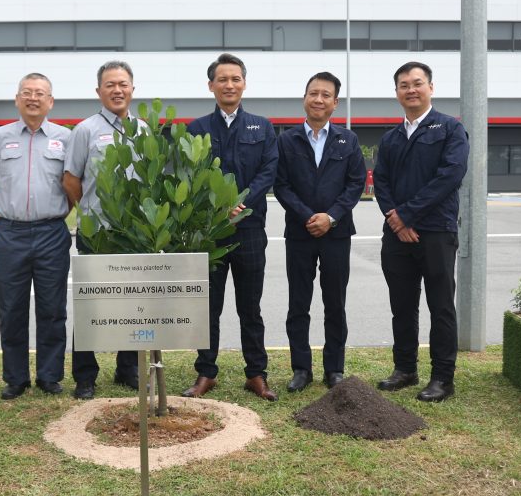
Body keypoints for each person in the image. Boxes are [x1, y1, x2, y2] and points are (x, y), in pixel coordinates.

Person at [182, 53, 279, 401]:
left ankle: (256, 373)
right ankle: (206, 372)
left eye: (235, 78)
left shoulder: (261, 127)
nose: (229, 85)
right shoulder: (197, 130)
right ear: (211, 86)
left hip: (250, 229)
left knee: (250, 307)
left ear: (244, 83)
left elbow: (268, 172)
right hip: (211, 233)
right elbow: (190, 177)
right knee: (209, 306)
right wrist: (218, 208)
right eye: (222, 79)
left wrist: (240, 203)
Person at [373, 61, 469, 402]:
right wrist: (395, 220)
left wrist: (408, 216)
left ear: (430, 87)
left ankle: (443, 378)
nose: (410, 89)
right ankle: (405, 369)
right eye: (403, 84)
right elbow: (380, 181)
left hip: (435, 233)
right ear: (397, 92)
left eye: (417, 83)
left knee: (441, 306)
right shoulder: (391, 138)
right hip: (397, 236)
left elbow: (450, 176)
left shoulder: (449, 129)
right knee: (402, 304)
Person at [0, 73, 71, 400]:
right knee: (12, 309)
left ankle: (49, 376)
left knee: (52, 308)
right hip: (10, 234)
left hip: (52, 233)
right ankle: (15, 378)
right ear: (17, 99)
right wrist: (0, 218)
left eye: (40, 93)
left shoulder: (65, 138)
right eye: (27, 93)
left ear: (50, 101)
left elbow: (72, 183)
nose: (33, 98)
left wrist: (61, 211)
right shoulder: (0, 138)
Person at [274, 72, 366, 392]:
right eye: (313, 93)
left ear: (335, 103)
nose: (318, 99)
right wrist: (307, 216)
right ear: (304, 98)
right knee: (298, 304)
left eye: (326, 95)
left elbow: (355, 185)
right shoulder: (286, 140)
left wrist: (332, 217)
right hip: (299, 235)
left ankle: (334, 369)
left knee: (334, 304)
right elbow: (281, 185)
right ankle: (301, 369)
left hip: (336, 236)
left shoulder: (348, 140)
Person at [62, 60, 146, 400]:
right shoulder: (85, 130)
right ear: (99, 91)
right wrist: (92, 213)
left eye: (123, 84)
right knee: (90, 305)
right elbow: (71, 180)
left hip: (133, 233)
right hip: (97, 233)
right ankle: (85, 376)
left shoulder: (144, 131)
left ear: (132, 89)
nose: (117, 90)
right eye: (110, 84)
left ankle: (128, 368)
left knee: (132, 304)